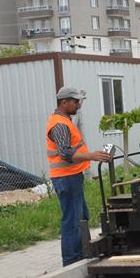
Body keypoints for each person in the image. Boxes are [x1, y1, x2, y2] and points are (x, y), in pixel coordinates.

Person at [46, 86, 110, 266]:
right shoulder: (60, 124)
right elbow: (66, 154)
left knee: (81, 217)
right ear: (64, 102)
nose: (78, 105)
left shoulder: (64, 121)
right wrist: (91, 156)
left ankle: (81, 253)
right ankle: (71, 260)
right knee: (72, 220)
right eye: (75, 101)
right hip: (66, 178)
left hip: (71, 176)